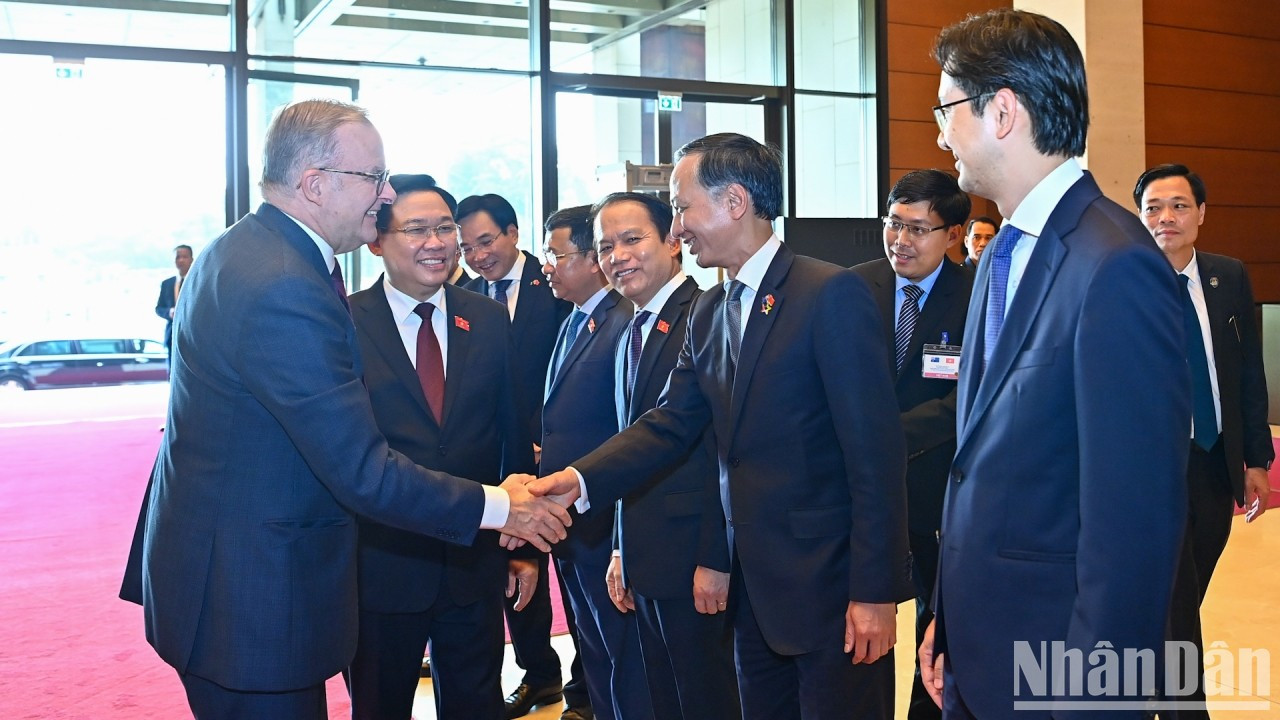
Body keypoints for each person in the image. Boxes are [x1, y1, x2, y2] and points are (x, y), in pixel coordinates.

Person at [119, 99, 569, 720]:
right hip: (249, 599)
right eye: (373, 177)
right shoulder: (283, 283)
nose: (384, 194)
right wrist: (503, 506)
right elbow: (362, 468)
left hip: (235, 578)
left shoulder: (247, 250)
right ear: (315, 184)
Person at [527, 132, 912, 720]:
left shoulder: (829, 293)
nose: (677, 228)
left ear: (734, 202)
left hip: (827, 586)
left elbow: (875, 456)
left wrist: (875, 591)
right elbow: (671, 423)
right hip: (750, 594)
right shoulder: (712, 307)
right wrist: (579, 481)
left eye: (682, 208)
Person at [918, 11, 1191, 719]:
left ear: (1002, 111)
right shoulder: (1003, 254)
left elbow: (1134, 525)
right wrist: (948, 621)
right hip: (982, 653)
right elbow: (978, 461)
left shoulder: (1115, 264)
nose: (939, 131)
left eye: (946, 108)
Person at [345, 173, 539, 719]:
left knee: (476, 706)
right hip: (380, 567)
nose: (437, 242)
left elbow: (511, 438)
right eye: (416, 230)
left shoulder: (487, 317)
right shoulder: (345, 323)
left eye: (445, 228)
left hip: (471, 564)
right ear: (377, 240)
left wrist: (519, 547)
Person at [593, 191, 740, 720]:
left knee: (707, 700)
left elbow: (717, 451)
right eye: (605, 246)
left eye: (633, 239)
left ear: (673, 242)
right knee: (663, 699)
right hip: (644, 555)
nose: (618, 256)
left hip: (693, 560)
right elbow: (632, 445)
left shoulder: (705, 315)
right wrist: (618, 547)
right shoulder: (629, 324)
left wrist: (713, 557)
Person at [1134, 163, 1273, 718]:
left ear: (1201, 214)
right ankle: (1186, 708)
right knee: (1173, 591)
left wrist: (1256, 458)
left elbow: (1247, 374)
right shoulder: (1120, 278)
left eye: (1178, 206)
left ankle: (1146, 686)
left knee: (1185, 590)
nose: (1165, 217)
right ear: (1139, 216)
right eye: (1152, 208)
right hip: (1151, 468)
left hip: (1215, 460)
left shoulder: (1228, 276)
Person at [852, 169, 973, 720]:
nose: (901, 240)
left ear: (952, 233)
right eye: (893, 224)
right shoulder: (851, 288)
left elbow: (972, 398)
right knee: (860, 623)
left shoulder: (978, 298)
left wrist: (882, 439)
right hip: (857, 491)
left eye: (918, 229)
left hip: (938, 492)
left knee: (939, 624)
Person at [459, 193, 580, 719]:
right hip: (496, 462)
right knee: (512, 569)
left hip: (560, 457)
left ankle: (590, 684)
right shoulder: (458, 294)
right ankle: (540, 674)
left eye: (486, 241)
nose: (477, 256)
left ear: (512, 233)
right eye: (467, 248)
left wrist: (550, 438)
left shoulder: (556, 288)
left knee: (577, 576)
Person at [539, 204, 650, 720]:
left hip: (605, 519)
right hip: (571, 521)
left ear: (590, 261)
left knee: (624, 657)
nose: (547, 265)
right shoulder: (575, 320)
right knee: (596, 652)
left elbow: (633, 429)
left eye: (557, 254)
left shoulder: (625, 320)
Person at [155, 244, 193, 359]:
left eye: (184, 257)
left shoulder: (195, 282)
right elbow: (159, 308)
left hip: (191, 335)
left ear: (191, 259)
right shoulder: (167, 284)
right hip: (172, 334)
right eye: (177, 257)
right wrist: (169, 312)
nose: (180, 260)